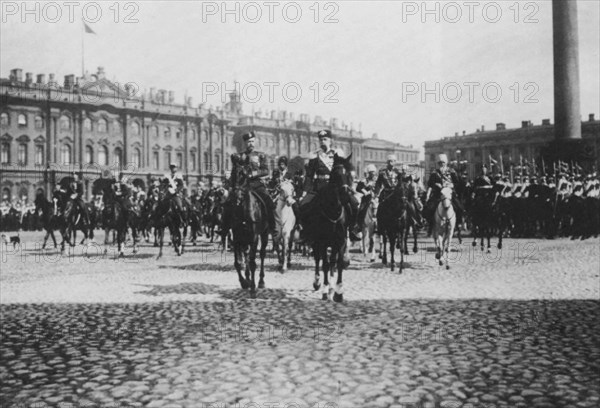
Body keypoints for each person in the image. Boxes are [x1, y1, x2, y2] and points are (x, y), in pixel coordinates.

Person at [299, 130, 360, 241]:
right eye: (321, 139)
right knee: (303, 205)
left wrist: (349, 185)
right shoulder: (314, 155)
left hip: (336, 188)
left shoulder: (338, 153)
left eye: (325, 139)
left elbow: (345, 170)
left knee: (354, 203)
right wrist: (304, 192)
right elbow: (309, 176)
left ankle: (352, 229)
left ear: (330, 140)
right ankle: (306, 232)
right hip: (319, 188)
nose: (323, 141)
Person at [224, 131, 276, 236]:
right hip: (243, 186)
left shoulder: (261, 155)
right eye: (248, 142)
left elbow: (266, 170)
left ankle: (272, 226)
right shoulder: (239, 156)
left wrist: (254, 174)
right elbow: (234, 173)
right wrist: (231, 187)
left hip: (257, 185)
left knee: (269, 201)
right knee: (228, 203)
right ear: (245, 143)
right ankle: (225, 227)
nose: (251, 144)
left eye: (252, 141)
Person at [424, 153, 463, 235]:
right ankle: (430, 225)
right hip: (438, 194)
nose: (441, 164)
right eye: (440, 163)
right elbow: (430, 184)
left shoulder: (452, 172)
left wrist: (450, 185)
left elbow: (457, 183)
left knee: (459, 207)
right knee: (429, 208)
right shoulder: (434, 173)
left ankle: (458, 223)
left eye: (443, 162)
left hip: (449, 193)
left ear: (446, 163)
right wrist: (435, 185)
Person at [356, 164, 378, 228]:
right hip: (366, 199)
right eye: (371, 173)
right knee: (361, 210)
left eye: (373, 172)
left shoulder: (377, 181)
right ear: (369, 173)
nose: (373, 174)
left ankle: (377, 221)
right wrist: (365, 191)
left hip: (375, 198)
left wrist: (376, 193)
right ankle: (358, 225)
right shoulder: (364, 181)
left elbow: (379, 188)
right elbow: (358, 188)